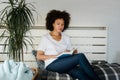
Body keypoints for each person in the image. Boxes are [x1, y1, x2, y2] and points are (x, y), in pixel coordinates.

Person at [36, 9, 100, 80]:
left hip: (65, 64)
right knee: (80, 56)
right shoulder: (45, 38)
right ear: (53, 24)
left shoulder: (66, 38)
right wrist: (55, 56)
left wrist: (73, 52)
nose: (60, 26)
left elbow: (70, 53)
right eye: (58, 24)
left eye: (62, 24)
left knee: (78, 73)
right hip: (52, 65)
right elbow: (39, 56)